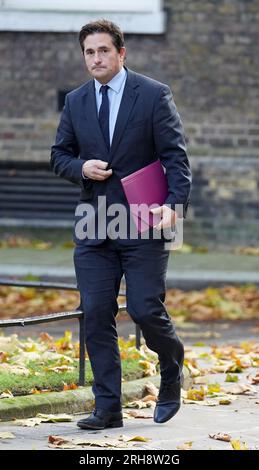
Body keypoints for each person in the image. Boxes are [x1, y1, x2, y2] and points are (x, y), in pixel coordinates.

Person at [51, 19, 192, 430]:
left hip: (147, 218)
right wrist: (81, 167)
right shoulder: (76, 101)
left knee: (146, 308)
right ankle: (107, 407)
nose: (96, 58)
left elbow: (176, 158)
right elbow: (58, 155)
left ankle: (171, 364)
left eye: (103, 51)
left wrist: (174, 206)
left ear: (121, 53)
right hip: (94, 221)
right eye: (89, 52)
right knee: (95, 312)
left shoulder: (152, 94)